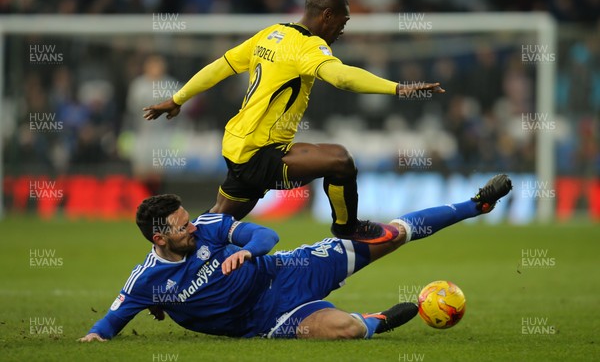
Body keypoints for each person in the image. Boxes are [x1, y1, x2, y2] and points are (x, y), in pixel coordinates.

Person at [142, 0, 445, 244]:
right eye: (343, 21)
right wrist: (399, 89)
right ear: (327, 16)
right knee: (340, 161)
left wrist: (177, 99)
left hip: (237, 146)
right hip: (261, 153)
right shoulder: (308, 47)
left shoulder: (272, 33)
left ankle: (164, 260)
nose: (343, 28)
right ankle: (347, 228)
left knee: (211, 228)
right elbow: (341, 77)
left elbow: (221, 66)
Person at [78, 174, 511, 341]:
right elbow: (106, 327)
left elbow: (266, 233)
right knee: (344, 329)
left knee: (392, 234)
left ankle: (476, 205)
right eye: (180, 226)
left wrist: (246, 252)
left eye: (188, 219)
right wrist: (92, 340)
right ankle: (378, 321)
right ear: (159, 238)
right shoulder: (145, 282)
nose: (191, 227)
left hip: (290, 269)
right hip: (266, 321)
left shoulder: (210, 226)